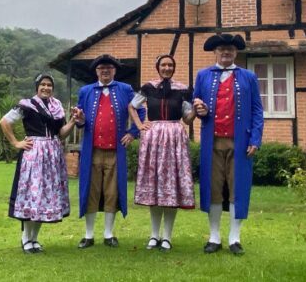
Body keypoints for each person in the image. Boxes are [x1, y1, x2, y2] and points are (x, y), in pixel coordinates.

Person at [192, 34, 264, 256]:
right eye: (222, 49)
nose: (226, 52)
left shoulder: (248, 77)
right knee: (213, 189)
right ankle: (214, 237)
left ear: (236, 53)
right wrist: (199, 108)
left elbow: (257, 110)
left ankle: (235, 238)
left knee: (237, 189)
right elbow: (195, 105)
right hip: (211, 143)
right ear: (215, 51)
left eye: (230, 49)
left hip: (240, 142)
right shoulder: (203, 75)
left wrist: (255, 139)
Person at [0, 73, 78, 254]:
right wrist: (15, 142)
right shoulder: (27, 105)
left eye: (49, 85)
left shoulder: (56, 106)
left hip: (52, 155)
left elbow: (62, 133)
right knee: (33, 196)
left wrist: (73, 120)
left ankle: (35, 239)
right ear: (37, 87)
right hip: (34, 155)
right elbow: (4, 121)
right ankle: (26, 239)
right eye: (42, 84)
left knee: (46, 198)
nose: (46, 87)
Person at [74, 54, 143, 249]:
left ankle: (109, 234)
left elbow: (140, 110)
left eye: (109, 68)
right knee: (91, 191)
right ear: (96, 71)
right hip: (92, 151)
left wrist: (133, 132)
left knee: (112, 192)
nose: (105, 71)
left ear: (114, 70)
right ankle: (88, 235)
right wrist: (79, 119)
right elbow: (80, 119)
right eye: (101, 68)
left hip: (115, 151)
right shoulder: (85, 91)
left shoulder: (126, 89)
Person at [128, 54, 196, 252]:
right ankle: (154, 235)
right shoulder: (148, 87)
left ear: (174, 68)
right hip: (154, 137)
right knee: (154, 186)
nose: (167, 68)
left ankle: (167, 237)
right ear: (158, 67)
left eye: (170, 65)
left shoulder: (182, 89)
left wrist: (197, 110)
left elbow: (188, 119)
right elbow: (132, 106)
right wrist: (140, 125)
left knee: (171, 186)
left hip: (175, 136)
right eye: (163, 65)